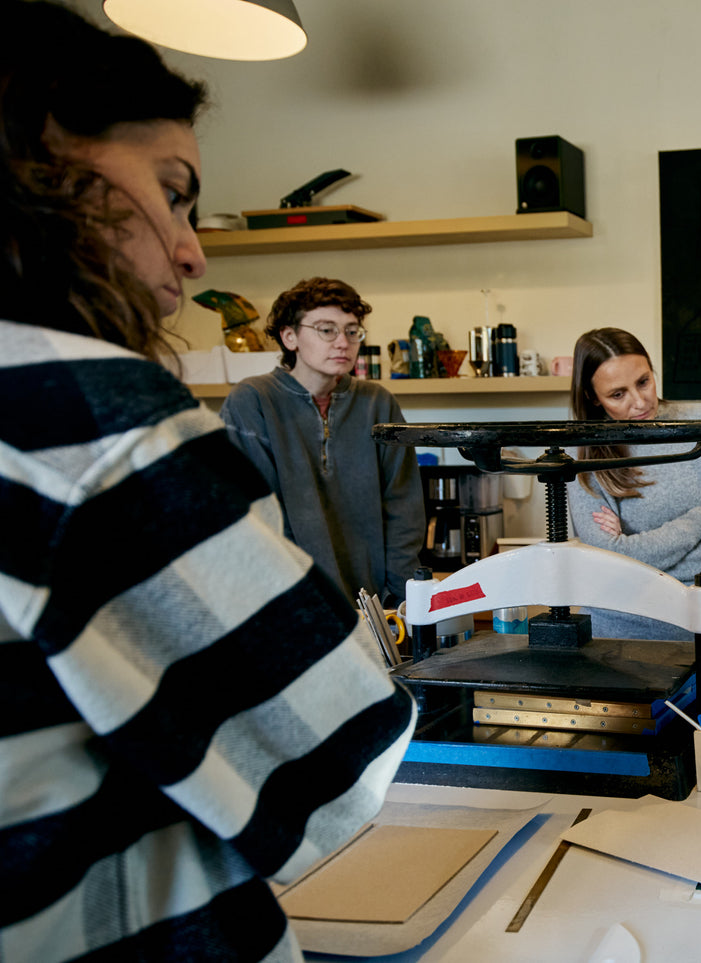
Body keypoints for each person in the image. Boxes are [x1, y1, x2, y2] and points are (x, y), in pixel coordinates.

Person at [0, 4, 416, 960]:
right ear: (43, 163)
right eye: (174, 193)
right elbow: (329, 761)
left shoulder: (372, 404)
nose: (192, 251)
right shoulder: (95, 420)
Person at [220, 277, 424, 607]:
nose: (342, 342)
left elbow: (404, 510)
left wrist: (401, 601)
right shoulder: (252, 401)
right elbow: (255, 518)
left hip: (374, 609)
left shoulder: (378, 403)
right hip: (286, 600)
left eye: (352, 330)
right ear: (290, 336)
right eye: (326, 330)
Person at [566, 327, 701, 647]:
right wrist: (699, 520)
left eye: (643, 381)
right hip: (612, 646)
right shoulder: (581, 452)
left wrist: (633, 553)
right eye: (617, 394)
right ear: (592, 398)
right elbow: (611, 565)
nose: (640, 402)